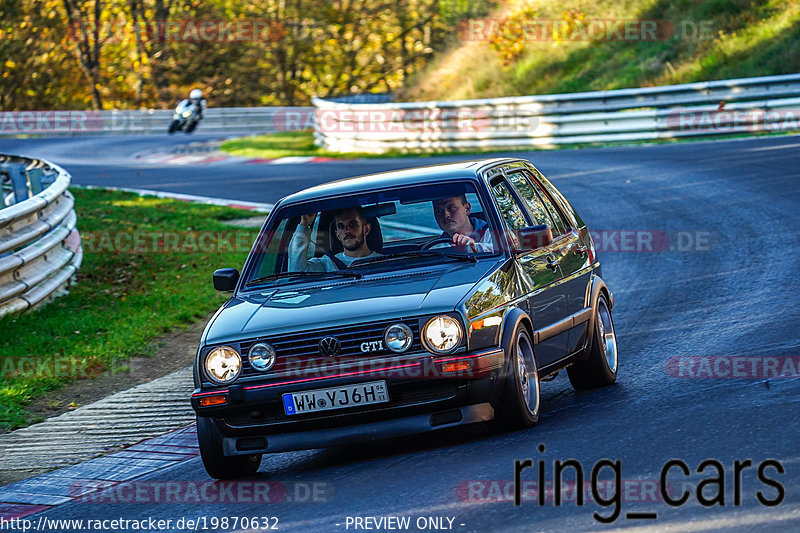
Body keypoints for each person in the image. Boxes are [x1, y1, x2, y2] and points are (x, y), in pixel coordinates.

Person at [288, 207, 381, 272]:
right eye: (341, 226)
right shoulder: (327, 264)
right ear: (337, 235)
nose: (346, 230)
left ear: (366, 229)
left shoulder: (384, 262)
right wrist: (304, 224)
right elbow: (296, 272)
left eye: (352, 224)